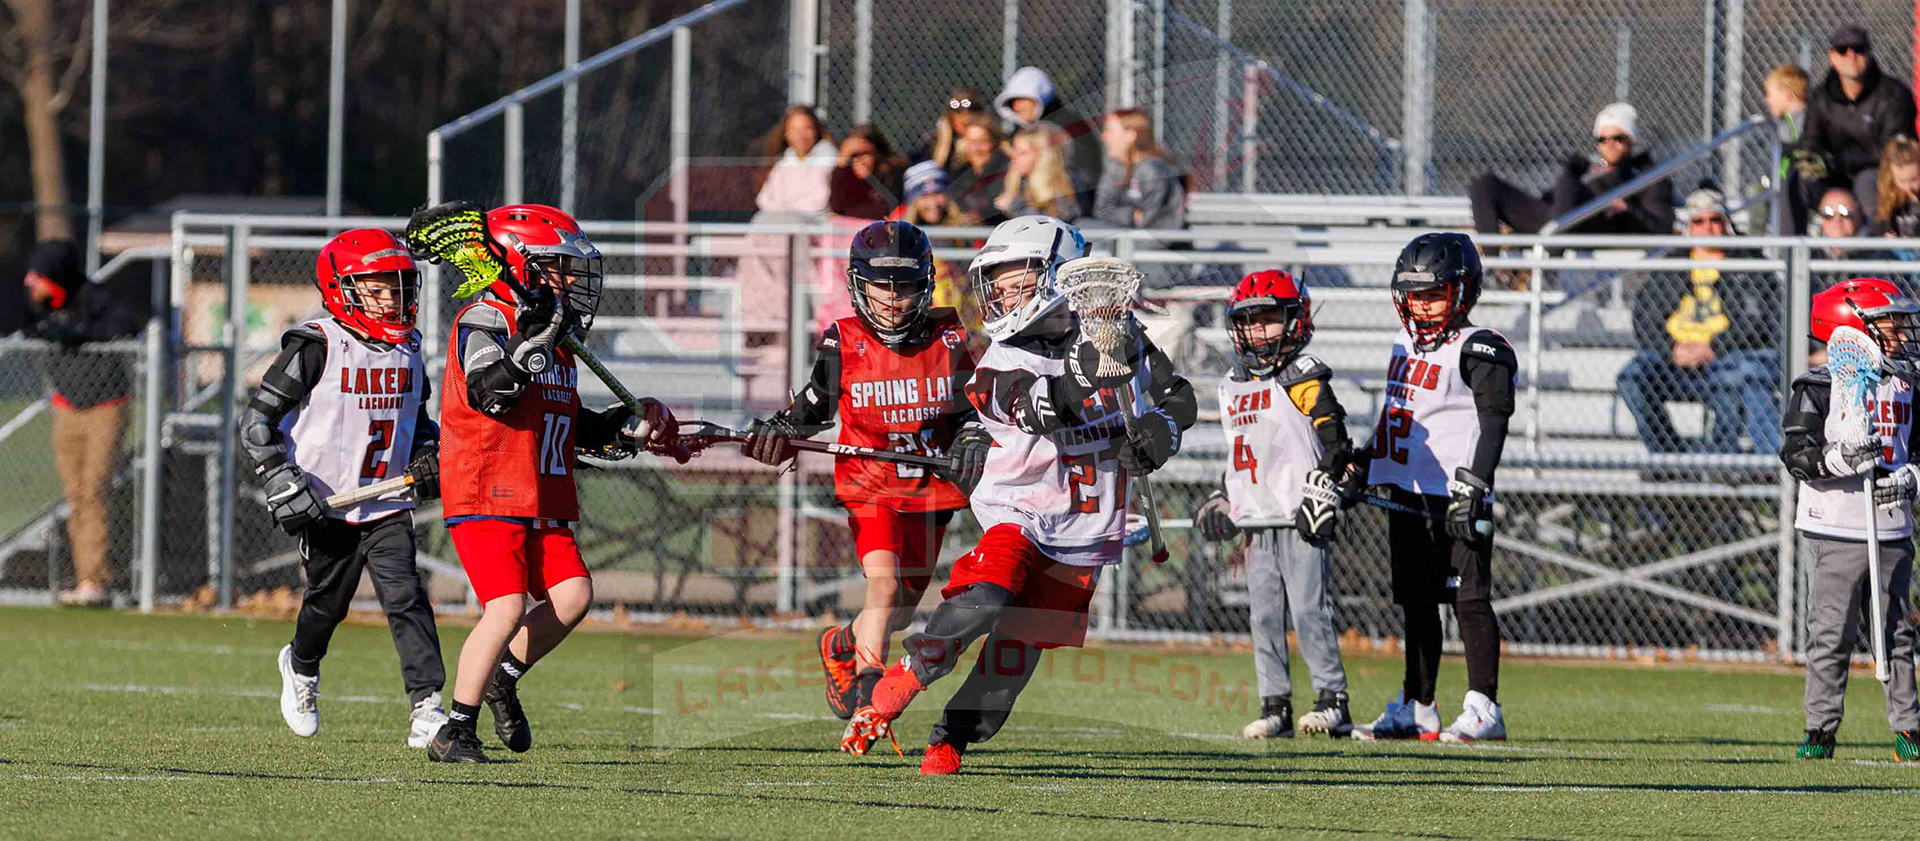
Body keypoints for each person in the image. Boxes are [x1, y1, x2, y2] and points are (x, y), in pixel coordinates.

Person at [839, 216, 1197, 774]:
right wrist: (1093, 364)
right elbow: (1045, 406)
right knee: (985, 598)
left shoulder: (1120, 339)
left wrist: (1159, 432)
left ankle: (950, 737)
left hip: (1086, 527)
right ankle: (903, 681)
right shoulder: (1001, 360)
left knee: (1011, 661)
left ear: (1059, 276)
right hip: (1020, 510)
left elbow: (1178, 396)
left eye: (1018, 279)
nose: (1002, 292)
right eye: (998, 281)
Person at [408, 202, 678, 763]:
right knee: (505, 608)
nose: (571, 281)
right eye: (558, 267)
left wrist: (625, 427)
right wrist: (530, 346)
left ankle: (503, 678)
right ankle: (456, 730)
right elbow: (489, 393)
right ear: (519, 263)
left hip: (540, 492)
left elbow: (570, 424)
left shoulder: (559, 346)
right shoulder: (485, 320)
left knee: (574, 597)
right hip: (488, 488)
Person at [742, 221, 984, 724]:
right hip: (870, 482)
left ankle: (839, 643)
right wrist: (777, 430)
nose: (893, 298)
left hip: (930, 486)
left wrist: (970, 437)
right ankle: (868, 689)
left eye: (906, 285)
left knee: (902, 609)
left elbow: (970, 411)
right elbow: (811, 411)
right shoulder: (844, 342)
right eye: (881, 286)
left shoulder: (949, 336)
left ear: (925, 284)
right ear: (858, 285)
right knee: (884, 586)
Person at [240, 229, 448, 748]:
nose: (392, 299)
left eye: (399, 287)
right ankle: (301, 665)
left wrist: (427, 454)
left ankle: (427, 706)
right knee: (327, 605)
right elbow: (257, 422)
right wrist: (280, 476)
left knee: (407, 597)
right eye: (378, 289)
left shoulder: (410, 347)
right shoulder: (316, 345)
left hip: (386, 502)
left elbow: (419, 422)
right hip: (326, 502)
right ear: (342, 289)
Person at [1344, 232, 1516, 743]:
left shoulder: (1480, 346)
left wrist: (1476, 485)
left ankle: (1484, 707)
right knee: (1417, 602)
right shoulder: (1403, 343)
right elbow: (1396, 413)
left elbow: (1494, 421)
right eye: (1414, 294)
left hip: (1456, 493)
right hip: (1407, 488)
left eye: (1433, 294)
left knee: (1470, 599)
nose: (1421, 305)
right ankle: (1417, 707)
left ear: (1462, 292)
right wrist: (1362, 464)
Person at [1191, 270, 1352, 739]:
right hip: (1257, 517)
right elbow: (1240, 452)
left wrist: (1324, 487)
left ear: (1295, 320)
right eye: (1248, 321)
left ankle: (1332, 698)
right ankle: (1275, 703)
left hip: (1299, 513)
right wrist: (1223, 496)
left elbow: (1337, 443)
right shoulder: (1231, 383)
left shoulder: (1302, 376)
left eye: (1268, 320)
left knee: (1308, 610)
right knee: (1262, 615)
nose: (1258, 331)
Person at [1779, 277, 1920, 762]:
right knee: (1830, 633)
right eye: (1891, 322)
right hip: (1835, 527)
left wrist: (1911, 478)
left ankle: (1908, 727)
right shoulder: (1818, 387)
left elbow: (1916, 450)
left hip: (1890, 526)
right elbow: (1797, 454)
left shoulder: (1907, 384)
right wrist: (1840, 459)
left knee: (1897, 633)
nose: (1902, 331)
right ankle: (1820, 729)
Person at [20, 240, 143, 607]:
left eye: (38, 275)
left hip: (104, 406)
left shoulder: (94, 298)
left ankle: (95, 579)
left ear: (56, 275)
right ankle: (85, 577)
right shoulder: (39, 306)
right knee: (75, 494)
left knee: (94, 489)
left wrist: (77, 331)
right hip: (65, 407)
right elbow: (29, 329)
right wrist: (51, 329)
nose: (29, 281)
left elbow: (125, 325)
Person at [1617, 188, 1782, 456]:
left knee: (1732, 376)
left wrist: (1713, 348)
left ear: (1726, 225)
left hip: (1725, 355)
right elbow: (1644, 319)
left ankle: (1721, 461)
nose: (1708, 227)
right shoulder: (1671, 265)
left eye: (1715, 219)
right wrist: (1671, 349)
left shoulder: (1748, 262)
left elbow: (1756, 321)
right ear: (1689, 228)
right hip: (1673, 359)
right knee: (1630, 377)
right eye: (1699, 221)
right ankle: (1668, 457)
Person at [1468, 102, 1674, 237]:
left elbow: (1662, 226)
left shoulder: (1648, 177)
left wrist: (1627, 208)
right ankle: (1492, 268)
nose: (1609, 144)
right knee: (1484, 185)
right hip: (1553, 220)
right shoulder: (1588, 169)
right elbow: (1552, 199)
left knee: (1571, 183)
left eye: (1618, 138)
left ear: (1631, 141)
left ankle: (1545, 262)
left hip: (1592, 226)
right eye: (1602, 139)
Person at [1802, 26, 1917, 215]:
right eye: (1842, 50)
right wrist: (1816, 164)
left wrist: (1840, 161)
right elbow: (1810, 143)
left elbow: (1893, 152)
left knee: (1866, 181)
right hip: (1834, 173)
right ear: (1832, 57)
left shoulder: (1893, 95)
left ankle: (1875, 233)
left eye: (1858, 49)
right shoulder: (1820, 97)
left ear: (1869, 53)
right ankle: (1793, 234)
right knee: (1798, 178)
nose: (1851, 55)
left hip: (1877, 172)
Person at [995, 66, 1103, 210]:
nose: (1017, 107)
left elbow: (1085, 173)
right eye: (1013, 102)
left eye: (1022, 100)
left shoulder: (1069, 125)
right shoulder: (1020, 131)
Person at [1093, 109, 1186, 231]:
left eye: (1110, 131)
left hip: (1155, 239)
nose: (1103, 137)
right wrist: (1132, 215)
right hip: (1125, 233)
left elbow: (1151, 220)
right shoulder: (1115, 167)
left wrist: (1126, 216)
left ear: (1130, 135)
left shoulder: (1151, 169)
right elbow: (1101, 211)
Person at [753, 105, 837, 216]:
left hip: (814, 220)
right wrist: (781, 212)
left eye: (807, 128)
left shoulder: (828, 161)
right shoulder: (783, 164)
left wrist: (788, 212)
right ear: (785, 134)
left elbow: (820, 201)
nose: (801, 135)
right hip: (781, 218)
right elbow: (764, 199)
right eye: (794, 129)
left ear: (816, 131)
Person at [1768, 64, 1823, 234]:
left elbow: (1795, 153)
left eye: (1770, 94)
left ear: (1788, 95)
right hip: (1796, 180)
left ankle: (1788, 242)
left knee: (1788, 186)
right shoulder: (1788, 121)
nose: (1767, 100)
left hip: (1810, 179)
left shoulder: (1798, 121)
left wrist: (1781, 174)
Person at [996, 122, 1083, 222]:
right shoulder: (1017, 182)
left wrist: (1012, 206)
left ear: (1043, 155)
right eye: (1014, 150)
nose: (1014, 156)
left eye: (1023, 153)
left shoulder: (1064, 184)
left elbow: (1051, 223)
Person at [828, 124, 907, 221]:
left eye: (864, 154)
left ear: (878, 153)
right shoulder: (847, 172)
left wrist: (869, 179)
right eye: (853, 155)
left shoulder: (893, 172)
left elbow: (884, 211)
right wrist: (841, 164)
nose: (859, 160)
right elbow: (837, 207)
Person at [947, 113, 1011, 225]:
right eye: (971, 142)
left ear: (995, 142)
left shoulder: (1006, 170)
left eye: (982, 141)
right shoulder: (960, 170)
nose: (976, 149)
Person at [917, 87, 988, 170]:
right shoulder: (934, 142)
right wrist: (944, 141)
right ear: (950, 116)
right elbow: (933, 171)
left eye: (973, 110)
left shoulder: (989, 142)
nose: (965, 117)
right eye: (958, 111)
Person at [1869, 137, 1920, 242]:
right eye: (1902, 181)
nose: (1909, 187)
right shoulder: (1888, 197)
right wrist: (1887, 234)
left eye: (1914, 179)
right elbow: (1880, 224)